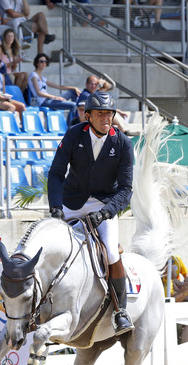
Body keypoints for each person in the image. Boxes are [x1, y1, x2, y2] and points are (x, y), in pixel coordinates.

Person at [47, 91, 135, 335]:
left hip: (104, 205)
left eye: (109, 114)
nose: (106, 118)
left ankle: (120, 311)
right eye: (100, 114)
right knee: (51, 246)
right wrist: (55, 207)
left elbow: (126, 189)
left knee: (109, 252)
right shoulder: (74, 135)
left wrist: (105, 213)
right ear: (88, 116)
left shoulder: (122, 144)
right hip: (71, 201)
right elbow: (55, 173)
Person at [162, 255, 188, 344]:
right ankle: (185, 351)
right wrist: (185, 291)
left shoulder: (175, 281)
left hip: (183, 306)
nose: (172, 270)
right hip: (170, 310)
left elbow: (186, 273)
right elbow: (172, 300)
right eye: (168, 268)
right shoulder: (165, 285)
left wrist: (185, 284)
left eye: (173, 268)